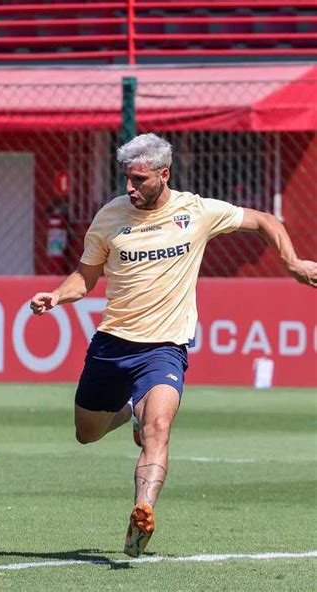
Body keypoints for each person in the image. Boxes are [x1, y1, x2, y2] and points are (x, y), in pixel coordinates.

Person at [29, 133, 317, 558]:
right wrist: (56, 295)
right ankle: (127, 412)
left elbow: (264, 220)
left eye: (140, 179)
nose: (130, 186)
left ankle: (143, 509)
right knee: (86, 433)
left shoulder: (196, 211)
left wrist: (292, 262)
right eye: (127, 178)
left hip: (166, 346)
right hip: (113, 343)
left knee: (158, 429)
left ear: (164, 175)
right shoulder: (109, 217)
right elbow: (85, 278)